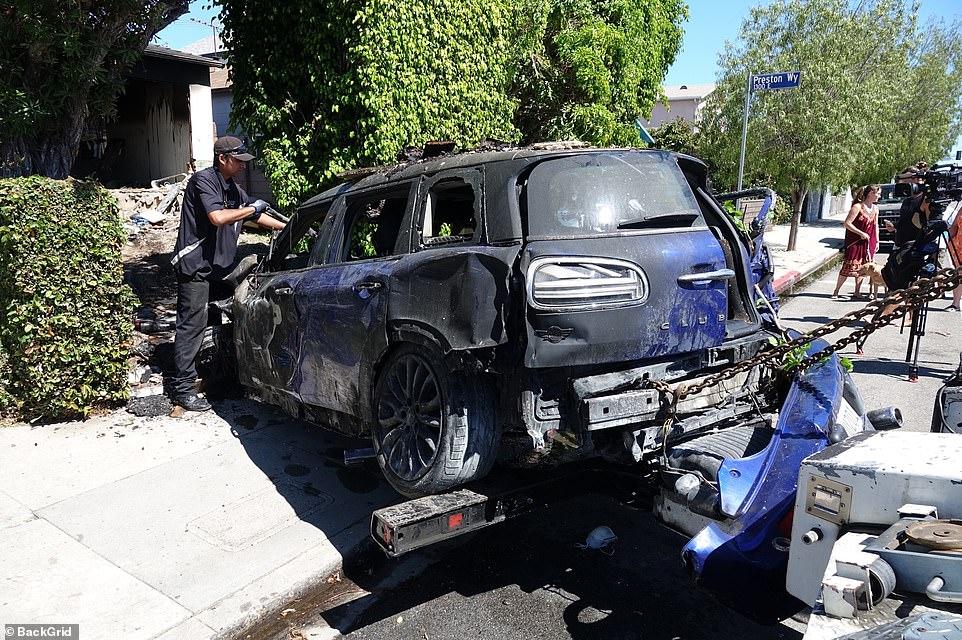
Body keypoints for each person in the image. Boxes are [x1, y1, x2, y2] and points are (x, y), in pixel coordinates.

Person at [169, 136, 286, 411]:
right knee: (191, 326)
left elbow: (254, 217)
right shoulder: (203, 181)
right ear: (223, 159)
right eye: (239, 161)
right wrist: (250, 208)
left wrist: (286, 227)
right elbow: (218, 218)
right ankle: (182, 390)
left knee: (220, 322)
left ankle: (213, 378)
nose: (244, 167)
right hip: (195, 266)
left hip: (219, 268)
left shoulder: (234, 189)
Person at [832, 184, 881, 300]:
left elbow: (876, 226)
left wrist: (877, 241)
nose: (879, 196)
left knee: (864, 268)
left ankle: (857, 291)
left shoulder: (875, 209)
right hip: (855, 241)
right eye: (877, 193)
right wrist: (861, 233)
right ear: (870, 194)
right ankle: (836, 291)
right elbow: (847, 223)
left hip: (869, 242)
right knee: (848, 266)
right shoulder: (858, 207)